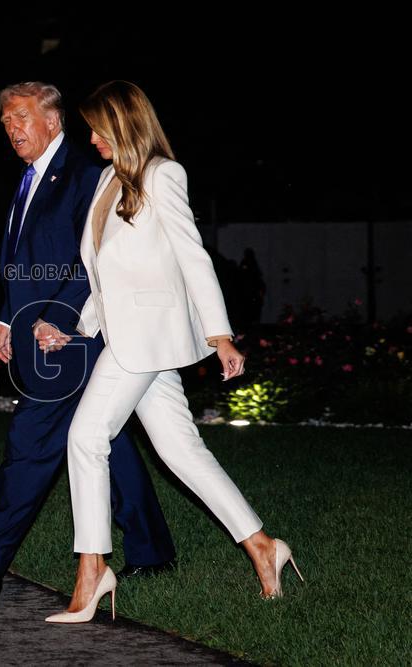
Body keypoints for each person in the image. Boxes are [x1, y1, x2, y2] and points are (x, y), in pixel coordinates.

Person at [41, 81, 302, 624]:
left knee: (86, 437)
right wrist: (79, 328)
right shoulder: (109, 180)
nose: (90, 138)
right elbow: (106, 276)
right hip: (130, 338)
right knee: (182, 452)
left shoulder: (164, 175)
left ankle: (93, 568)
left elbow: (193, 260)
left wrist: (219, 335)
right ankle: (262, 545)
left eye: (97, 127)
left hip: (148, 339)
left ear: (123, 123)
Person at [0, 82, 177, 606]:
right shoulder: (29, 179)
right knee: (110, 442)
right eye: (6, 120)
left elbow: (96, 257)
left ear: (52, 122)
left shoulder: (85, 176)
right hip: (37, 332)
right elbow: (24, 261)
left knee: (30, 448)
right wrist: (7, 319)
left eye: (22, 118)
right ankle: (152, 551)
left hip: (68, 340)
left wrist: (56, 318)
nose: (12, 129)